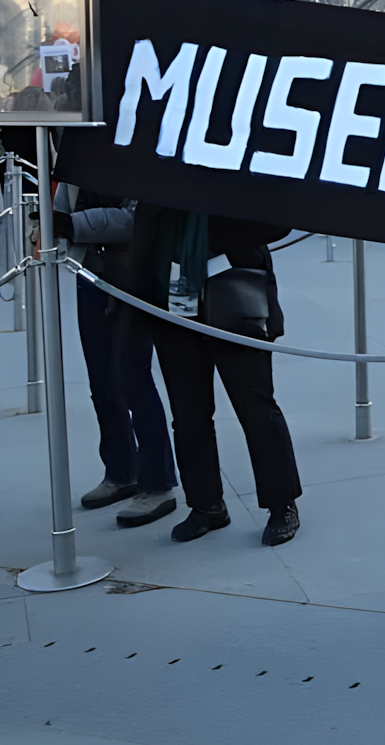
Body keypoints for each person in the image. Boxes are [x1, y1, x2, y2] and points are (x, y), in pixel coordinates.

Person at [125, 203, 302, 546]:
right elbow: (145, 228)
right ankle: (206, 505)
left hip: (235, 284)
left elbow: (281, 219)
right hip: (172, 293)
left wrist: (210, 234)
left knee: (255, 404)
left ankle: (282, 503)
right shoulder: (155, 175)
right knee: (188, 412)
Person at [52, 185, 179, 529]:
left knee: (134, 378)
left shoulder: (132, 156)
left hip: (133, 274)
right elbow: (64, 203)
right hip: (90, 273)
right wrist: (55, 224)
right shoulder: (78, 160)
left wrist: (73, 224)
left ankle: (157, 483)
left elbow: (140, 216)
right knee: (102, 381)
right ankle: (121, 472)